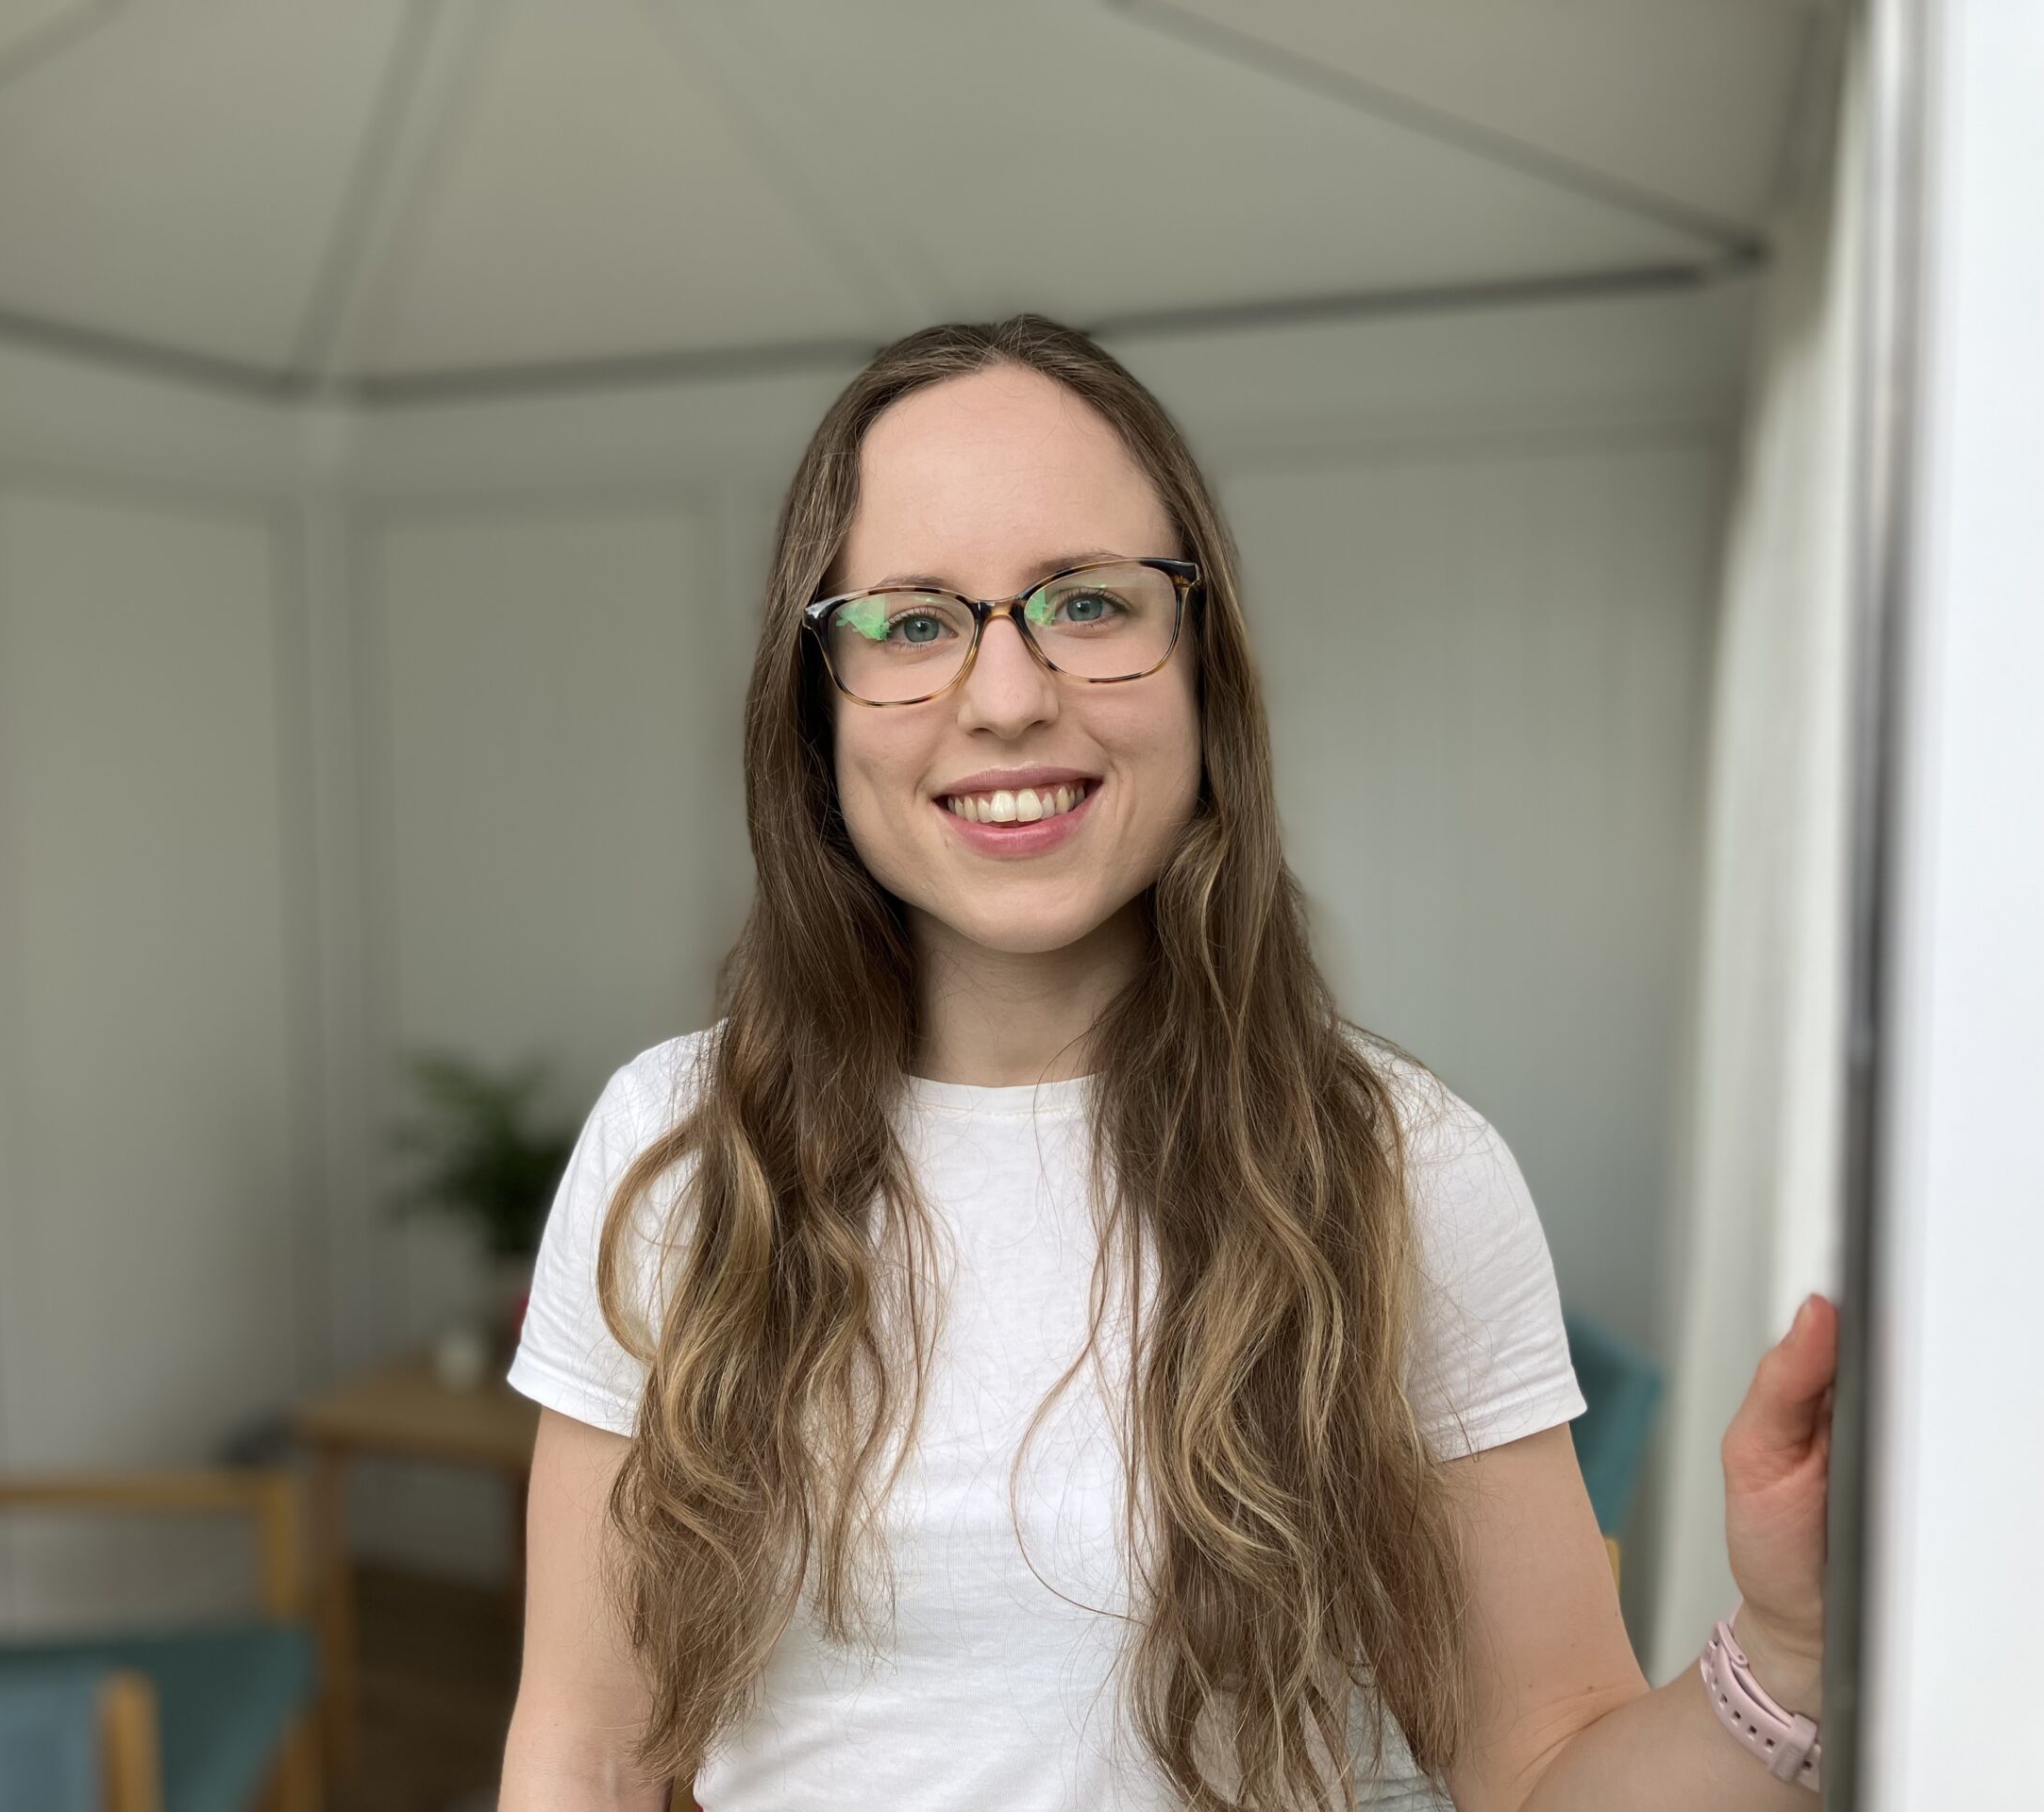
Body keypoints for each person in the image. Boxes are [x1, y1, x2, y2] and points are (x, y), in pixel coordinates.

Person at [495, 316, 1835, 1811]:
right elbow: (589, 1750)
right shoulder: (678, 1148)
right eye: (914, 622)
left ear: (1203, 669)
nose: (1006, 697)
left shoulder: (1399, 1164)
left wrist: (1784, 1657)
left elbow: (1546, 1775)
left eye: (1086, 602)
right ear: (816, 712)